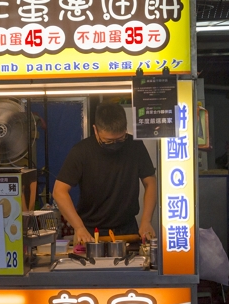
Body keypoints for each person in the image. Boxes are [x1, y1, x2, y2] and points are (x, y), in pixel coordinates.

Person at [53, 102, 157, 246]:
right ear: (95, 130)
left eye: (120, 140)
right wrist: (78, 227)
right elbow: (59, 191)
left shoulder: (135, 147)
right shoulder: (81, 152)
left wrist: (146, 221)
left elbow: (150, 182)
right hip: (91, 232)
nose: (115, 145)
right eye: (108, 141)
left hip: (127, 230)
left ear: (126, 129)